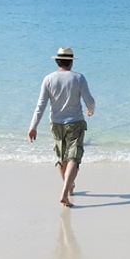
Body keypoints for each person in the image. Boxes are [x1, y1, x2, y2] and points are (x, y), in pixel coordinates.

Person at [28, 47, 95, 207]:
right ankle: (65, 192)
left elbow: (41, 105)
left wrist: (33, 126)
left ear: (58, 61)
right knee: (74, 158)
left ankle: (69, 186)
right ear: (71, 62)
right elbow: (89, 99)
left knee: (62, 159)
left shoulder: (49, 79)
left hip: (56, 124)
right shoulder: (79, 78)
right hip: (76, 123)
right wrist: (91, 109)